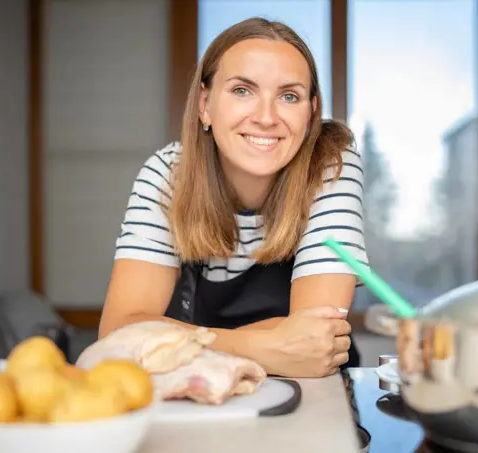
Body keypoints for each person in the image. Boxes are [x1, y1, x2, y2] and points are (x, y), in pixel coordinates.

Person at [98, 17, 369, 379]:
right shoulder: (168, 175)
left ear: (311, 114)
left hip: (315, 397)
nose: (266, 117)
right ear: (205, 105)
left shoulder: (332, 165)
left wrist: (170, 341)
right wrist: (264, 346)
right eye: (243, 90)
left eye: (289, 96)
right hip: (201, 392)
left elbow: (315, 341)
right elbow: (117, 336)